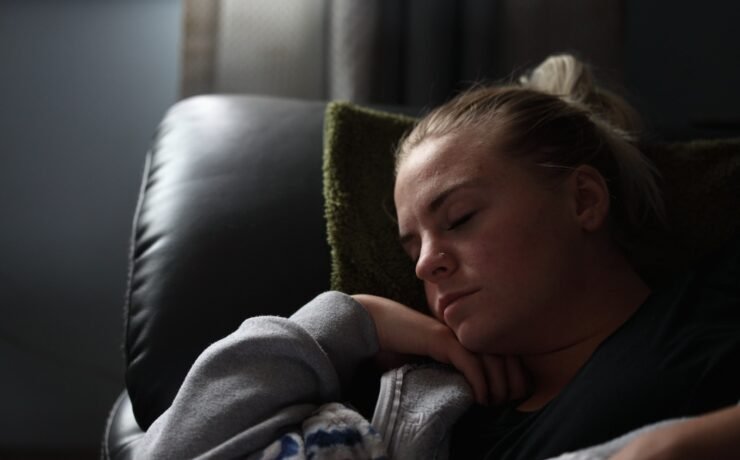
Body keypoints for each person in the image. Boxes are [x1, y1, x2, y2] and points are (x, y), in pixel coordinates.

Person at [131, 55, 740, 459]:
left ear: (583, 199)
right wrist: (350, 320)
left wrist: (672, 449)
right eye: (412, 245)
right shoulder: (426, 404)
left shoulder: (709, 308)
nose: (425, 265)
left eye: (460, 220)